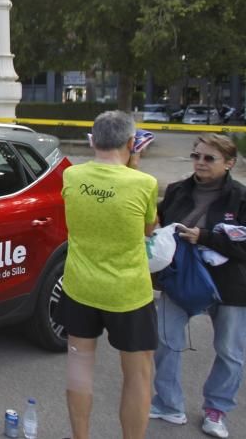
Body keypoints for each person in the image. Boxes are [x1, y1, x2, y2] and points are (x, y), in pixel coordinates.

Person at [55, 110, 159, 439]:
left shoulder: (71, 176)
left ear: (93, 140)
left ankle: (80, 436)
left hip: (80, 287)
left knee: (79, 370)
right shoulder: (144, 183)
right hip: (128, 293)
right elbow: (148, 228)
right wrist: (135, 168)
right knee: (139, 375)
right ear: (131, 143)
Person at [150, 133, 246, 438]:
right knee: (166, 341)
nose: (200, 163)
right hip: (180, 279)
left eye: (209, 158)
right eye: (196, 156)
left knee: (230, 351)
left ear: (230, 163)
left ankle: (216, 409)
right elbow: (158, 226)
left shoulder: (241, 198)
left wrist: (204, 237)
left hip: (229, 285)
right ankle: (168, 404)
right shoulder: (178, 190)